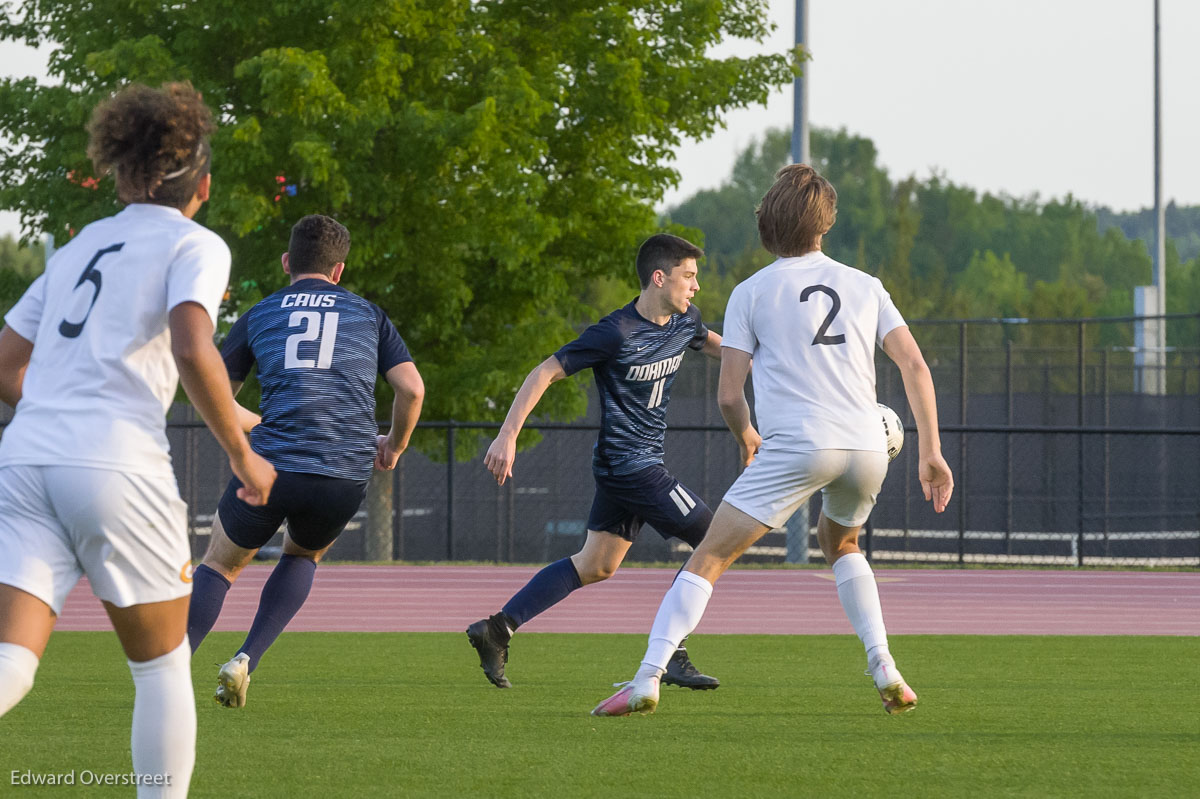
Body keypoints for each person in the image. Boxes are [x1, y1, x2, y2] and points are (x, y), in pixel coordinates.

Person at [592, 164, 954, 717]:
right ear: (825, 224)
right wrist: (930, 450)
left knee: (709, 555)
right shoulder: (865, 285)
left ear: (768, 223)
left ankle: (647, 678)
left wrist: (746, 437)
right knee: (844, 544)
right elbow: (914, 364)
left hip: (799, 445)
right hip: (866, 445)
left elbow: (730, 395)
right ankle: (884, 664)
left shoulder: (751, 292)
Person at [0, 82, 277, 796]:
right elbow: (192, 345)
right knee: (160, 667)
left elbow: (5, 363)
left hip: (26, 456)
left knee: (11, 662)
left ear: (120, 171)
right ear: (203, 185)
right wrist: (243, 453)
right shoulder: (194, 243)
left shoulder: (76, 248)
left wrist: (64, 415)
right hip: (117, 463)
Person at [185, 214, 424, 709]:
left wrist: (258, 425)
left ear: (287, 262)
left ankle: (167, 672)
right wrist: (394, 446)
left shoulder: (261, 314)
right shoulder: (369, 314)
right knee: (302, 556)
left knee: (221, 566)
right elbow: (412, 388)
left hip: (271, 466)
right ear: (339, 271)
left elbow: (215, 396)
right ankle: (246, 658)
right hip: (342, 471)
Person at [468, 233, 724, 690]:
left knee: (596, 565)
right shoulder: (615, 331)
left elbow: (715, 345)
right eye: (689, 276)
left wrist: (767, 357)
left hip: (631, 466)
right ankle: (672, 653)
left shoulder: (685, 322)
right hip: (630, 466)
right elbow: (545, 370)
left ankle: (497, 629)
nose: (696, 286)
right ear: (659, 278)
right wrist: (507, 435)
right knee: (714, 536)